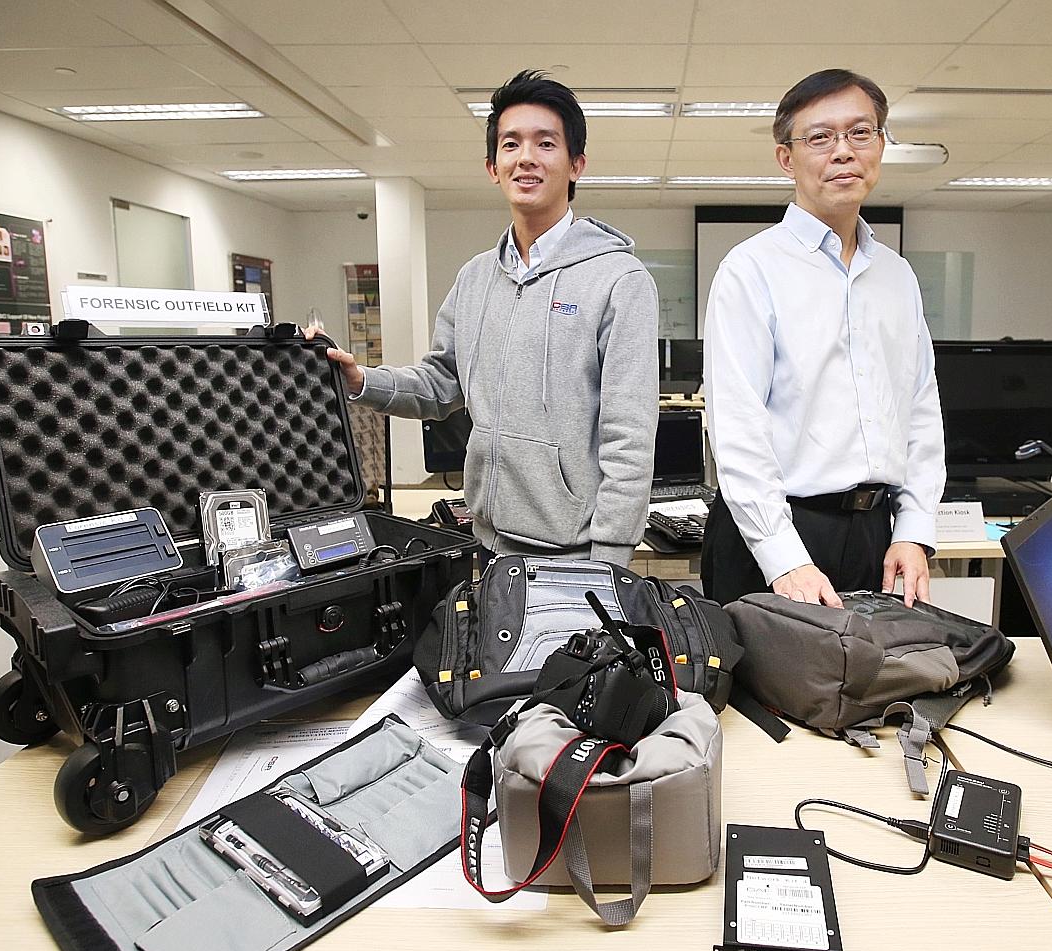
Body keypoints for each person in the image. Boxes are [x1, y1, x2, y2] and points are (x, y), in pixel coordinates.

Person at [305, 70, 659, 567]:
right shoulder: (475, 278)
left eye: (546, 143)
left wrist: (610, 560)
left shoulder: (620, 280)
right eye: (510, 144)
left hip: (577, 554)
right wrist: (363, 379)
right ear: (493, 166)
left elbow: (630, 436)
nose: (526, 158)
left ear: (576, 164)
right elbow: (440, 383)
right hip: (486, 542)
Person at [702, 68, 945, 609]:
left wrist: (914, 526)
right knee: (760, 695)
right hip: (774, 536)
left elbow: (921, 410)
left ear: (881, 145)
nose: (843, 152)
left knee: (876, 691)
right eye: (820, 137)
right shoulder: (751, 270)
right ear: (787, 158)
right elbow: (738, 426)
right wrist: (784, 556)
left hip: (875, 537)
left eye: (861, 133)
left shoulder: (896, 276)